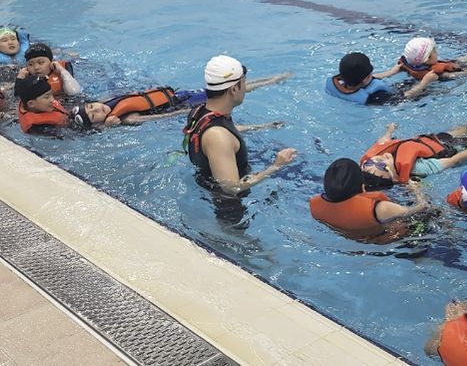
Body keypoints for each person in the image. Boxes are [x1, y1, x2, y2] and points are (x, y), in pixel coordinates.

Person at [183, 55, 296, 195]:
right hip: (230, 204)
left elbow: (223, 131)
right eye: (244, 82)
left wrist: (261, 127)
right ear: (234, 89)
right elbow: (232, 188)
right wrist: (276, 166)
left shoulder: (198, 112)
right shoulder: (217, 136)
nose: (245, 88)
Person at [70, 72, 291, 128]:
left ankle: (270, 80)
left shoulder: (108, 101)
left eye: (91, 106)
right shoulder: (128, 118)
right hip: (185, 103)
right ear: (97, 123)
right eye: (93, 115)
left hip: (179, 95)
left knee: (224, 89)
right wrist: (188, 111)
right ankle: (272, 80)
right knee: (226, 91)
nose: (97, 109)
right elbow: (163, 117)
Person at [309, 158, 429, 243]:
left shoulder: (314, 205)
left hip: (356, 243)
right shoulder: (381, 208)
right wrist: (417, 190)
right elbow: (422, 207)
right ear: (363, 187)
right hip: (393, 241)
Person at [360, 123, 467, 190]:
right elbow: (451, 161)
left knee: (463, 128)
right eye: (382, 166)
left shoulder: (379, 155)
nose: (377, 159)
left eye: (368, 163)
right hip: (452, 150)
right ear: (394, 178)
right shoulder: (418, 168)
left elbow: (383, 143)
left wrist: (389, 131)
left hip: (434, 140)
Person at [378, 37, 467, 99]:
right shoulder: (436, 74)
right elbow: (465, 72)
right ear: (427, 59)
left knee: (461, 60)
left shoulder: (408, 65)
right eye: (435, 51)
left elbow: (376, 76)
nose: (437, 52)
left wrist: (390, 72)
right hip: (446, 78)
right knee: (466, 66)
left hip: (449, 65)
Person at [325, 52, 395, 104]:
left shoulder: (337, 83)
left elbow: (369, 80)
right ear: (365, 79)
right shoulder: (375, 97)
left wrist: (391, 72)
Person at [15, 43, 81, 97]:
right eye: (30, 64)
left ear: (51, 62)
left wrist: (62, 70)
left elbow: (74, 93)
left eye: (41, 63)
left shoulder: (62, 69)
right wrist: (19, 79)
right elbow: (18, 98)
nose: (36, 67)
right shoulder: (26, 76)